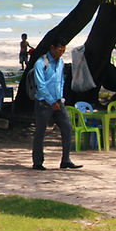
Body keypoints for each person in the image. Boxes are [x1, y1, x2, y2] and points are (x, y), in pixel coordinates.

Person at [31, 40, 80, 170]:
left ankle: (66, 160)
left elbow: (60, 81)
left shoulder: (61, 62)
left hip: (58, 102)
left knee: (67, 128)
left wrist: (60, 99)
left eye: (63, 51)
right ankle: (37, 162)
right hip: (44, 103)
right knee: (40, 132)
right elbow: (40, 85)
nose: (61, 53)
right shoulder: (41, 63)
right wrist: (51, 101)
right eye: (59, 50)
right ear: (52, 47)